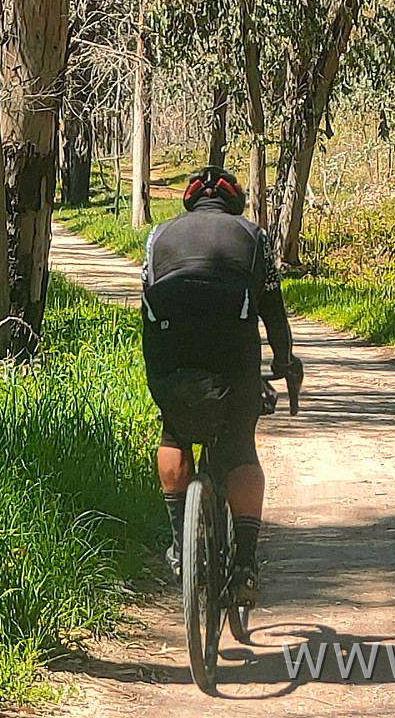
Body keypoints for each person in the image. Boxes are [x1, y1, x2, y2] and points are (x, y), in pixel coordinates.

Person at [140, 165, 302, 607]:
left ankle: (179, 545)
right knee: (240, 446)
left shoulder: (157, 237)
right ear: (234, 202)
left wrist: (162, 380)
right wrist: (284, 364)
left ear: (189, 203)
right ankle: (246, 563)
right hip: (232, 352)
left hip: (168, 353)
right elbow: (273, 310)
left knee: (173, 432)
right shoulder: (254, 237)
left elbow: (146, 306)